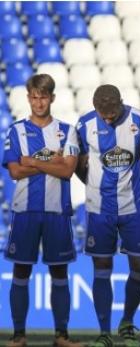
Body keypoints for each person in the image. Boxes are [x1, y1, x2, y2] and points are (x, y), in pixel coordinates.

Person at [1, 74, 82, 347]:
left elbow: (68, 170)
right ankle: (19, 335)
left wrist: (32, 161)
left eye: (43, 97)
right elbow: (14, 171)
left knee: (59, 273)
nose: (38, 102)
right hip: (25, 212)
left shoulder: (68, 131)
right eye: (34, 97)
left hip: (57, 212)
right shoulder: (16, 130)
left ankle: (61, 336)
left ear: (52, 98)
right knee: (21, 272)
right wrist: (51, 161)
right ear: (28, 98)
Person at [75, 85, 140, 347]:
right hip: (100, 209)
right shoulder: (84, 125)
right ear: (95, 107)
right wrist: (93, 185)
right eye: (104, 115)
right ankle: (104, 332)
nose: (108, 120)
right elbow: (79, 163)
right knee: (102, 268)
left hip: (134, 207)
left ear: (122, 102)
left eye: (113, 114)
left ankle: (127, 321)